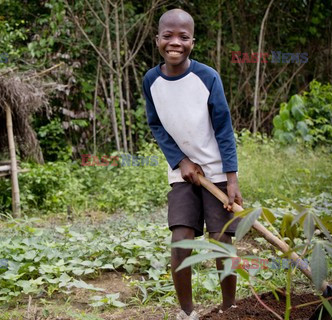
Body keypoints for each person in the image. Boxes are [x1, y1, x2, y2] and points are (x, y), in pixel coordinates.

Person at [142, 8, 243, 320]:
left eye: (183, 37)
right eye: (168, 36)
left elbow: (224, 128)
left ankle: (229, 308)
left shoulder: (207, 77)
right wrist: (180, 161)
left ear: (192, 42)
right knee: (181, 239)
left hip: (216, 172)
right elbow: (156, 125)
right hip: (181, 175)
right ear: (157, 39)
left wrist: (232, 178)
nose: (175, 42)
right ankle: (187, 312)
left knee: (221, 239)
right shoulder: (151, 81)